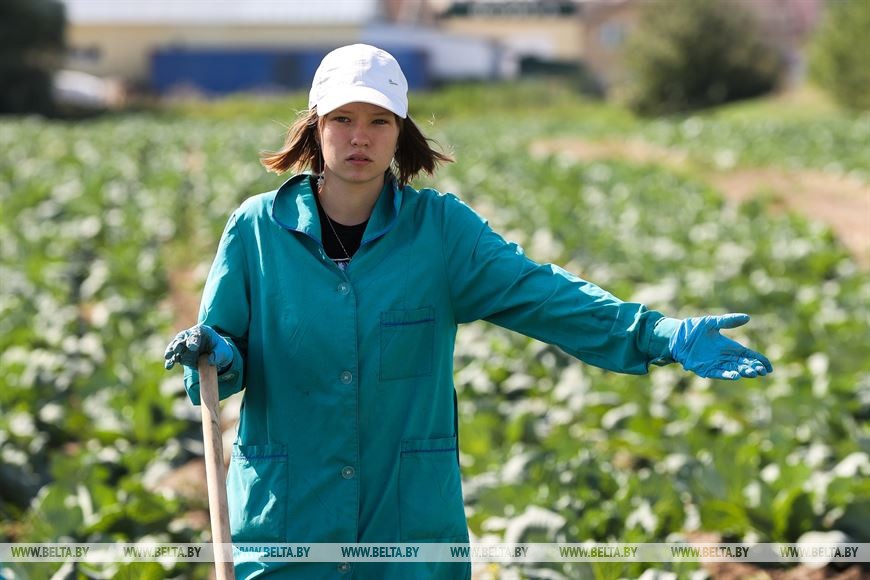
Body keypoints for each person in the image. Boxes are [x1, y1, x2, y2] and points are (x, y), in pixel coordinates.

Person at [163, 44, 772, 579]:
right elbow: (222, 362)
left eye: (378, 120)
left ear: (400, 132)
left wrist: (657, 333)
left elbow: (541, 293)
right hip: (290, 521)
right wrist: (215, 351)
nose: (359, 137)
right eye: (343, 119)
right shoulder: (257, 230)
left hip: (406, 526)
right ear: (316, 125)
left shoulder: (440, 231)